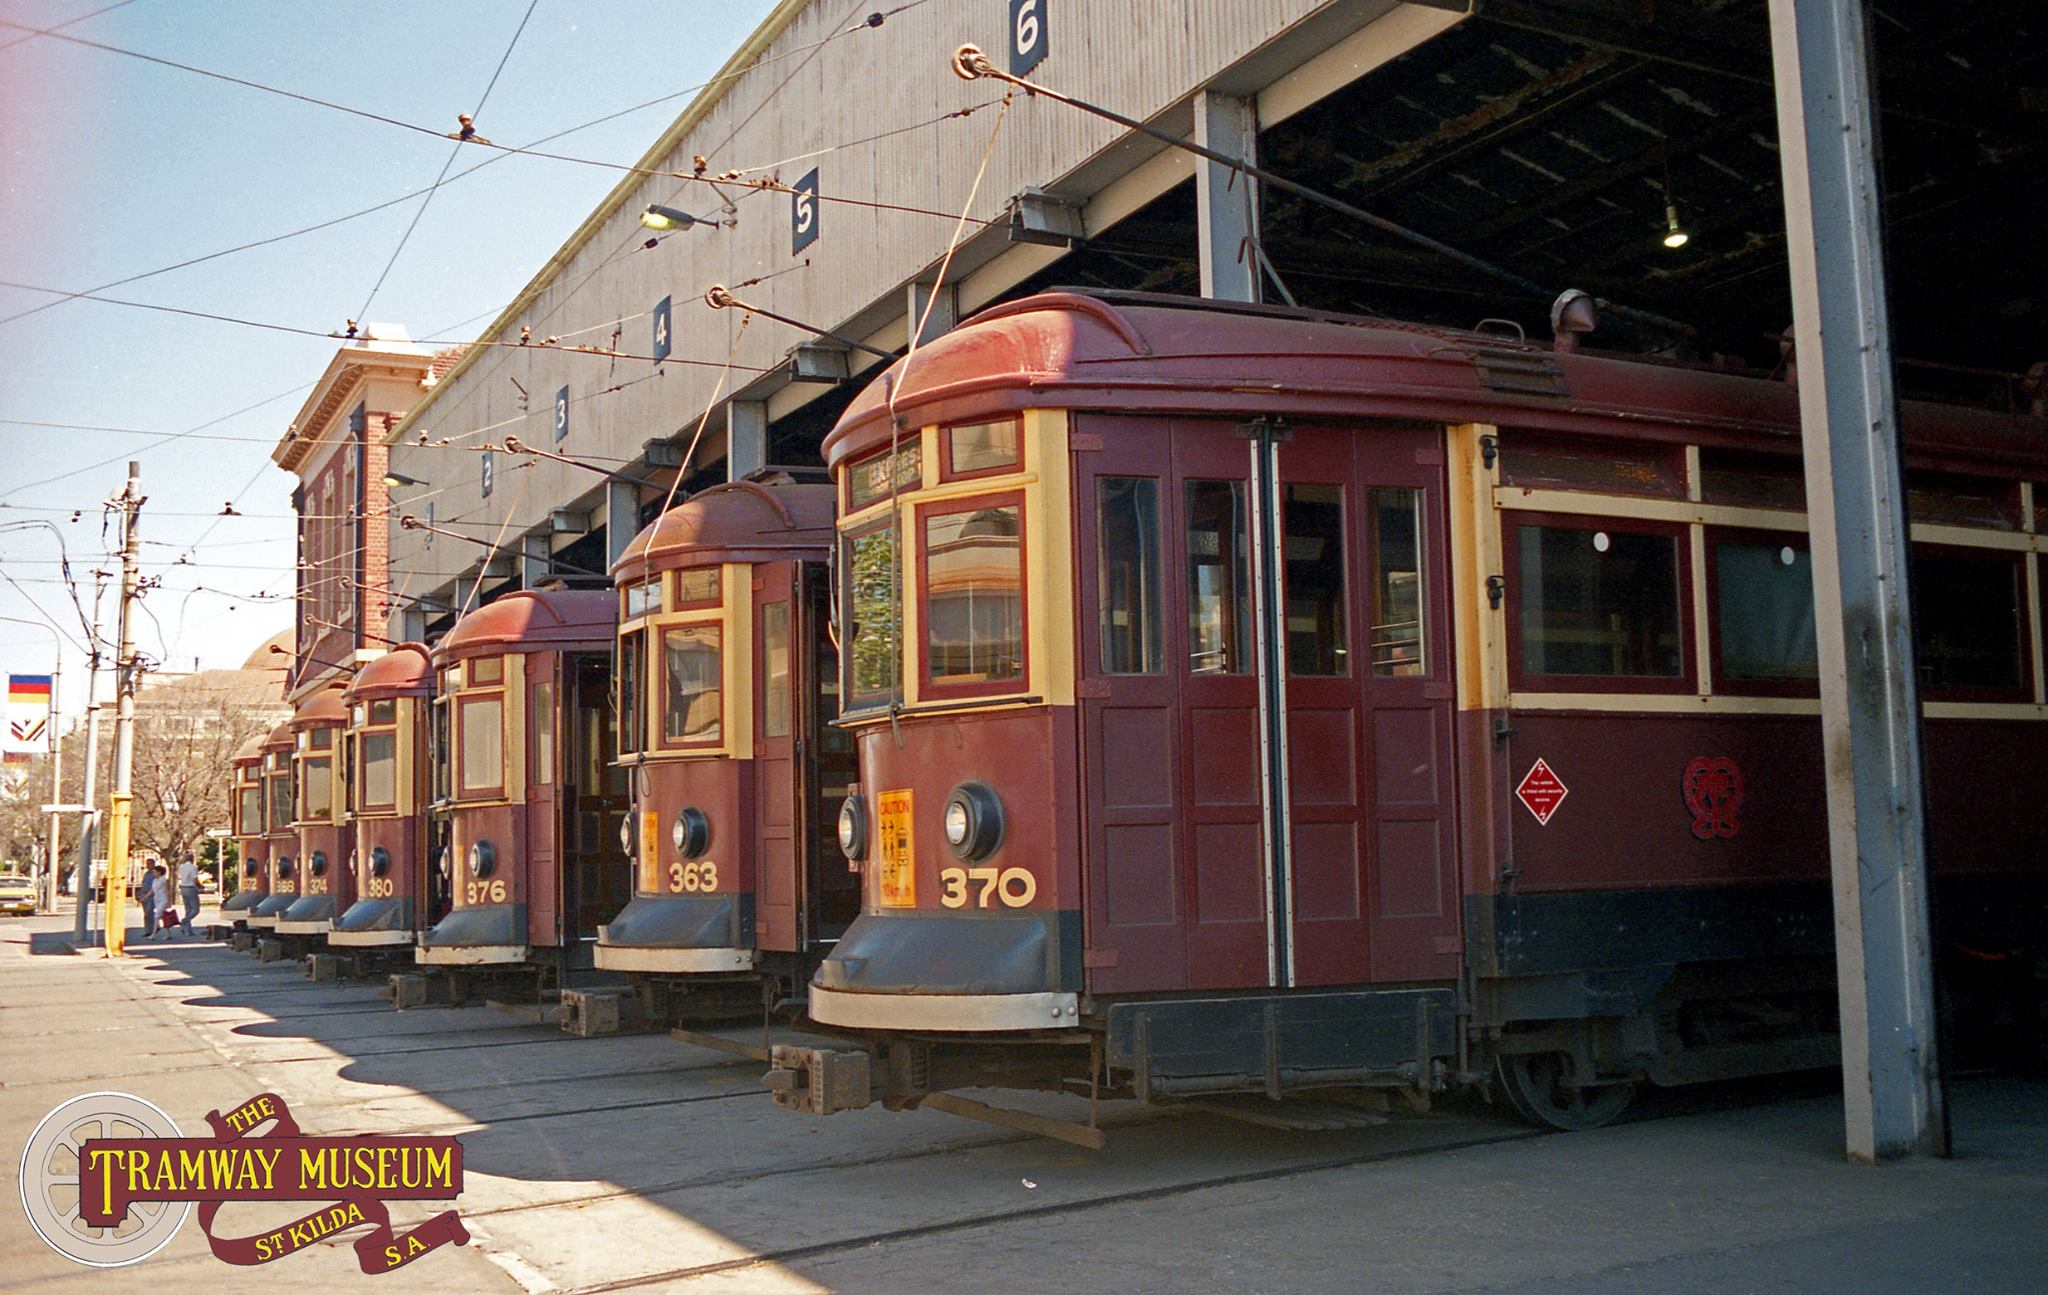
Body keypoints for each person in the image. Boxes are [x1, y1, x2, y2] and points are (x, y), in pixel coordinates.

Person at [177, 853, 200, 939]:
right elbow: (195, 878)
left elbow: (180, 877)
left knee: (188, 909)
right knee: (195, 909)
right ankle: (184, 921)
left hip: (183, 888)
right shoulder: (193, 867)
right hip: (191, 888)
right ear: (192, 859)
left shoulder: (181, 867)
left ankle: (188, 931)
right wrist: (200, 886)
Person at [149, 864, 173, 941]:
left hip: (163, 899)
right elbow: (152, 890)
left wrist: (168, 901)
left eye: (154, 872)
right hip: (157, 899)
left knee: (156, 916)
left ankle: (153, 934)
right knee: (163, 916)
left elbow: (166, 890)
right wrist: (144, 898)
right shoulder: (154, 881)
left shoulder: (163, 879)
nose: (153, 873)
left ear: (159, 872)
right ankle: (168, 934)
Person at [138, 859, 158, 939]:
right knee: (146, 914)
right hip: (144, 894)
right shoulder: (146, 874)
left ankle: (155, 927)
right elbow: (143, 883)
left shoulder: (155, 874)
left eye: (149, 864)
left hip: (151, 895)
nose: (147, 865)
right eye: (147, 864)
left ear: (153, 864)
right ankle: (148, 931)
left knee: (149, 913)